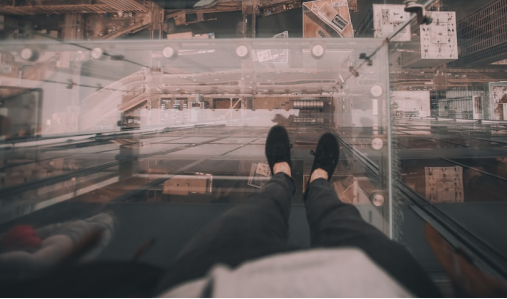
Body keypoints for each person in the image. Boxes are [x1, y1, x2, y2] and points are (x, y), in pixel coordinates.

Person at [156, 126, 441, 298]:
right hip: (379, 285)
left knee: (259, 209)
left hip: (212, 284)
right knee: (337, 215)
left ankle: (282, 172)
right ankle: (317, 178)